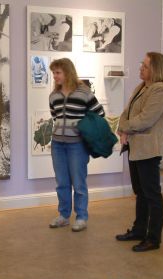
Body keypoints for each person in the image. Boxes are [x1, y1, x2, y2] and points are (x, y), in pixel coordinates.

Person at [115, 52, 163, 252]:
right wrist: (121, 127)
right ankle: (139, 230)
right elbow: (127, 112)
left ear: (155, 69)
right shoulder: (142, 87)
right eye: (142, 64)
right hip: (135, 147)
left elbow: (146, 119)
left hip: (148, 150)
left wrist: (125, 127)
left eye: (145, 65)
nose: (141, 68)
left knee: (152, 195)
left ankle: (153, 238)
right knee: (140, 193)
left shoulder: (160, 90)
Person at [48, 58, 105, 232]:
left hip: (77, 146)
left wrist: (83, 128)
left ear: (67, 72)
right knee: (62, 182)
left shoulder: (83, 92)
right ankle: (64, 216)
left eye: (57, 73)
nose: (55, 76)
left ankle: (81, 216)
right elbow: (55, 116)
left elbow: (100, 113)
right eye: (54, 73)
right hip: (57, 144)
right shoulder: (54, 96)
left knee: (79, 182)